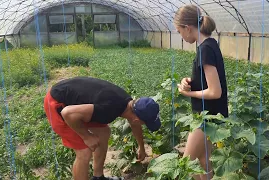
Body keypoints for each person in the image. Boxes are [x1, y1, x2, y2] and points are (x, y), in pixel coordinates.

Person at [43, 76, 161, 180]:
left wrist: (141, 147)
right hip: (57, 103)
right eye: (145, 123)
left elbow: (134, 123)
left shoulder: (129, 104)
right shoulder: (108, 109)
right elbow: (68, 113)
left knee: (104, 132)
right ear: (137, 118)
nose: (143, 125)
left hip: (72, 100)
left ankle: (98, 177)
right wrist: (87, 137)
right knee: (84, 152)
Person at [174, 4, 229, 180]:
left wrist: (188, 94)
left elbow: (215, 91)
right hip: (210, 115)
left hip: (207, 117)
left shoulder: (205, 49)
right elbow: (207, 80)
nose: (181, 36)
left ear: (187, 28)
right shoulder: (209, 45)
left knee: (185, 166)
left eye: (179, 31)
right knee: (203, 161)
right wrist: (189, 82)